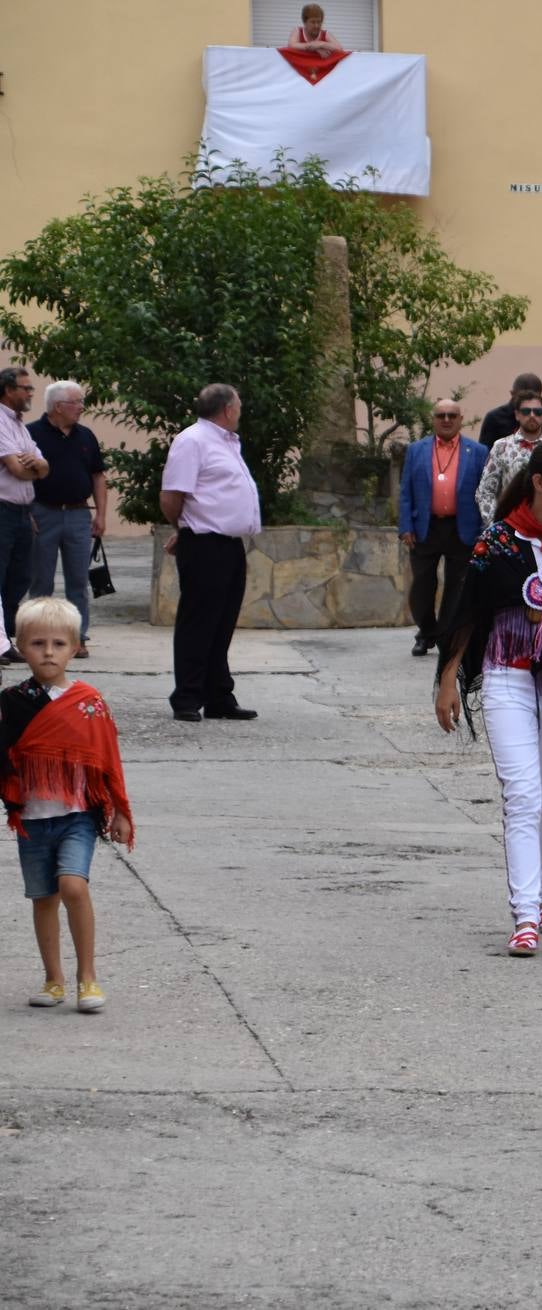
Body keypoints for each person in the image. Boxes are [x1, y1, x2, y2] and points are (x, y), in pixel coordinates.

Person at [435, 440, 542, 957]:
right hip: (507, 675)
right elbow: (469, 610)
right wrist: (449, 677)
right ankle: (526, 913)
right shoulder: (498, 542)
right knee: (523, 795)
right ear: (539, 482)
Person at [6, 595, 135, 1014]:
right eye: (37, 643)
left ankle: (88, 977)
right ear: (19, 646)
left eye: (59, 644)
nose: (48, 652)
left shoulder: (88, 701)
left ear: (76, 646)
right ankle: (54, 980)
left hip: (78, 815)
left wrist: (118, 810)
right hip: (32, 819)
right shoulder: (10, 703)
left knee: (72, 886)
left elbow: (106, 760)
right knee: (43, 899)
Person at [158, 384, 261, 722]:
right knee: (199, 622)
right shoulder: (193, 441)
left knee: (223, 622)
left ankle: (219, 695)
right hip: (204, 543)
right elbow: (172, 496)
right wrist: (185, 528)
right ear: (228, 409)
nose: (241, 411)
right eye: (239, 405)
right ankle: (187, 696)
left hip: (229, 544)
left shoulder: (226, 442)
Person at [398, 399, 488, 658]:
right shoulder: (416, 450)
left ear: (460, 419)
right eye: (441, 415)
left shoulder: (478, 451)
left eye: (451, 415)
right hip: (426, 527)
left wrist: (484, 528)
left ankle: (446, 635)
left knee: (457, 587)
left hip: (463, 527)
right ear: (433, 419)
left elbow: (485, 492)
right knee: (422, 586)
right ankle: (426, 631)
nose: (446, 420)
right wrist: (406, 526)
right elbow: (406, 492)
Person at [25, 383, 107, 655]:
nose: (82, 407)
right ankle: (37, 637)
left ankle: (78, 637)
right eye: (77, 402)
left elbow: (98, 476)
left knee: (78, 581)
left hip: (78, 513)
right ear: (58, 406)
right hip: (43, 513)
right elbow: (18, 477)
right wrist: (28, 512)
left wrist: (101, 514)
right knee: (41, 580)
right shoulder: (31, 434)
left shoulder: (86, 436)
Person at [0, 369, 49, 660]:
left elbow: (45, 468)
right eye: (26, 388)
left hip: (22, 512)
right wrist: (35, 467)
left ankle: (5, 640)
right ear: (7, 390)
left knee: (19, 578)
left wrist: (36, 466)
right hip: (3, 509)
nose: (31, 393)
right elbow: (18, 469)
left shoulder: (19, 425)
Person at [475, 388, 542, 523]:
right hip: (513, 525)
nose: (532, 415)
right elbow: (485, 491)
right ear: (517, 415)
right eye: (526, 411)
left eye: (537, 411)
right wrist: (497, 523)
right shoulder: (502, 446)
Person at [483, 372, 542, 448]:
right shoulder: (494, 418)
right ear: (512, 394)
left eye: (532, 399)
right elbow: (485, 453)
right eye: (522, 399)